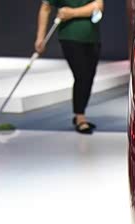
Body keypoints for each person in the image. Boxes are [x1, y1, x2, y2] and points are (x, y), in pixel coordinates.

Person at [35, 0, 104, 135]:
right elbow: (45, 8)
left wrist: (72, 13)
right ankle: (80, 117)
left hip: (92, 37)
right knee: (81, 75)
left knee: (89, 76)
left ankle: (80, 114)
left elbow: (99, 6)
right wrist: (40, 38)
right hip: (70, 36)